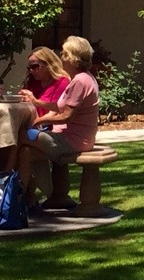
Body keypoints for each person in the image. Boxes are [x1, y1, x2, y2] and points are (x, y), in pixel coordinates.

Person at [18, 36, 100, 209]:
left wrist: (39, 120)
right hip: (69, 137)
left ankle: (16, 198)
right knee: (25, 152)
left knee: (18, 138)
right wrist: (36, 101)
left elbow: (66, 116)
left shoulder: (79, 81)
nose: (61, 57)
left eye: (64, 53)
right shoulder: (83, 78)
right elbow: (59, 105)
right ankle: (24, 199)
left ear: (72, 57)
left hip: (73, 141)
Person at [18, 47, 69, 118]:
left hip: (48, 126)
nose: (31, 71)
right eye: (29, 68)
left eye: (35, 66)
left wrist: (34, 101)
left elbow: (54, 113)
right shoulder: (32, 81)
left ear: (49, 65)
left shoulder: (61, 82)